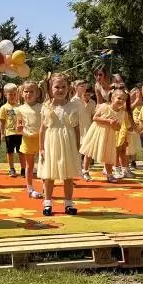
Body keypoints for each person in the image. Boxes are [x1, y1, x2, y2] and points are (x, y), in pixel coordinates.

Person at [39, 73, 81, 216]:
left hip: (68, 144)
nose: (60, 90)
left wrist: (77, 147)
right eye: (57, 87)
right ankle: (47, 203)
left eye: (63, 87)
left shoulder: (72, 107)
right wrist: (41, 148)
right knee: (49, 175)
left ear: (68, 88)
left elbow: (76, 129)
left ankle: (68, 203)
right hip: (51, 144)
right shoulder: (46, 107)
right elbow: (42, 129)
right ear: (50, 89)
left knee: (68, 175)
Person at [79, 88, 127, 182]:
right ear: (112, 98)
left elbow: (118, 127)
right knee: (89, 151)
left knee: (108, 154)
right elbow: (95, 118)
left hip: (110, 135)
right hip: (97, 132)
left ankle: (109, 174)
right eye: (119, 98)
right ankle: (85, 171)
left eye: (124, 99)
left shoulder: (122, 113)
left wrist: (114, 126)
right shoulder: (105, 106)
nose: (121, 101)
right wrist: (108, 121)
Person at [17, 80, 43, 198]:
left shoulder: (42, 107)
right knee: (29, 165)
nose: (28, 94)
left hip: (41, 139)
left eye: (31, 91)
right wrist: (19, 128)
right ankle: (30, 188)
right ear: (22, 93)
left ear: (37, 93)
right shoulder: (20, 109)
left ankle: (45, 186)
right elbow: (19, 125)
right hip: (27, 138)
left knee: (43, 164)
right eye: (26, 91)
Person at [0, 83, 22, 177]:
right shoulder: (3, 108)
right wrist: (2, 134)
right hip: (9, 133)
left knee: (21, 152)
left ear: (17, 94)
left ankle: (23, 168)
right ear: (5, 95)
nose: (12, 96)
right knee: (10, 151)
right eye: (10, 94)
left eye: (14, 94)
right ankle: (11, 169)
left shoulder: (20, 107)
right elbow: (2, 122)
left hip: (20, 133)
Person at [114, 88, 135, 179]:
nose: (123, 101)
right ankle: (116, 168)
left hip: (125, 132)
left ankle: (125, 169)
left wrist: (131, 128)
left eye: (125, 100)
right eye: (120, 99)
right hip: (117, 132)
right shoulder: (116, 109)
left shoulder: (126, 111)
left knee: (123, 151)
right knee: (116, 151)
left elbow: (128, 122)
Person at [127, 86, 143, 169]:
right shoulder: (131, 106)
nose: (134, 97)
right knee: (131, 146)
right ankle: (132, 161)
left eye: (136, 95)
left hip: (142, 128)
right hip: (133, 128)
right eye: (132, 96)